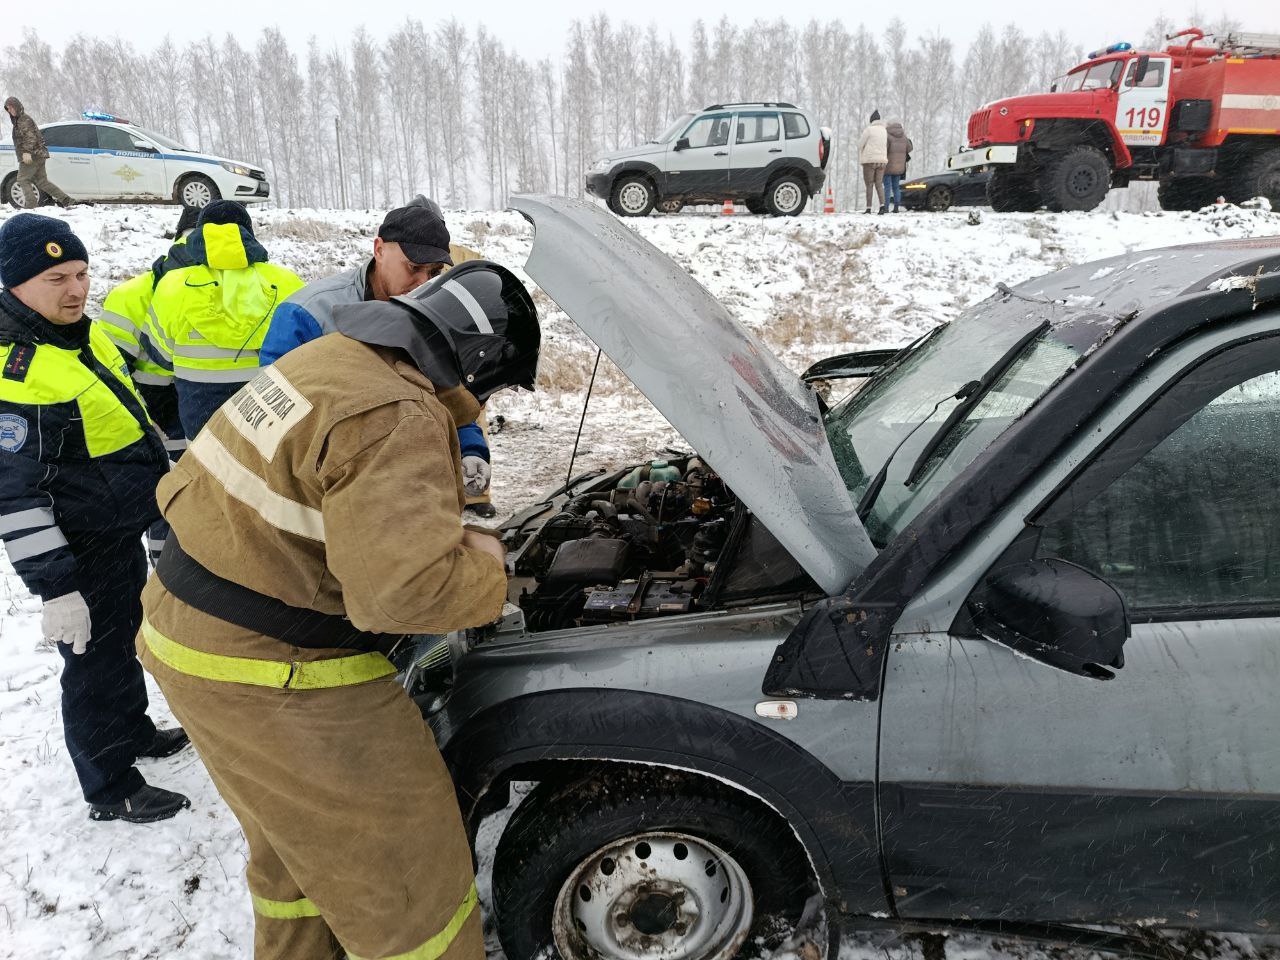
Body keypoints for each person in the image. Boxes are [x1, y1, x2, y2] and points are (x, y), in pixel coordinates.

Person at [138, 259, 539, 959]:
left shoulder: (328, 358)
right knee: (407, 874)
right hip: (273, 671)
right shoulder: (396, 413)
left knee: (297, 856)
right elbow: (402, 596)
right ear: (477, 360)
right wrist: (489, 570)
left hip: (186, 631)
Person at [0, 213, 190, 823]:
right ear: (14, 285)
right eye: (56, 278)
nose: (76, 289)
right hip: (76, 546)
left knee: (123, 639)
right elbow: (15, 495)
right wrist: (56, 588)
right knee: (92, 666)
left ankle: (133, 731)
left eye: (81, 274)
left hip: (115, 530)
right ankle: (110, 787)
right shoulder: (17, 374)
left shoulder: (83, 334)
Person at [261, 195, 497, 517]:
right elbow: (275, 414)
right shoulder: (308, 313)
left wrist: (470, 448)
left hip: (403, 486)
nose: (422, 283)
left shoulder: (430, 319)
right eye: (414, 268)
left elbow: (445, 395)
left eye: (434, 272)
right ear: (379, 249)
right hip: (320, 494)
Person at [147, 201, 303, 438]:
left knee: (206, 461)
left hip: (201, 417)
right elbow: (305, 352)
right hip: (270, 411)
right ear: (249, 235)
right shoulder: (286, 281)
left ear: (200, 234)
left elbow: (160, 355)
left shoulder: (173, 284)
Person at [98, 205, 202, 559]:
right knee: (169, 505)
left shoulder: (131, 293)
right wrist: (144, 422)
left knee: (178, 503)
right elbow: (110, 373)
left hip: (184, 418)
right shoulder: (134, 295)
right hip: (163, 419)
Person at [4, 97, 76, 209]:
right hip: (38, 155)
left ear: (17, 106)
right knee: (42, 182)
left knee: (22, 179)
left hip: (32, 156)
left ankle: (31, 205)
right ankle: (67, 200)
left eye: (11, 107)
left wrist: (26, 152)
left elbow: (31, 137)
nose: (10, 110)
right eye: (8, 109)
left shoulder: (23, 120)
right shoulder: (19, 120)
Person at [858, 110, 889, 215]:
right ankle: (882, 206)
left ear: (871, 120)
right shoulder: (884, 131)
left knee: (869, 184)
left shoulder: (869, 130)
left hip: (869, 161)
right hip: (882, 161)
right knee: (879, 184)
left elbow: (860, 144)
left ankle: (868, 208)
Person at [884, 120, 914, 214]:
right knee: (896, 187)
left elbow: (884, 149)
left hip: (888, 166)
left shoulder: (887, 136)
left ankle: (886, 207)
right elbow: (910, 148)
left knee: (887, 187)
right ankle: (896, 207)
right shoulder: (904, 137)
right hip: (900, 167)